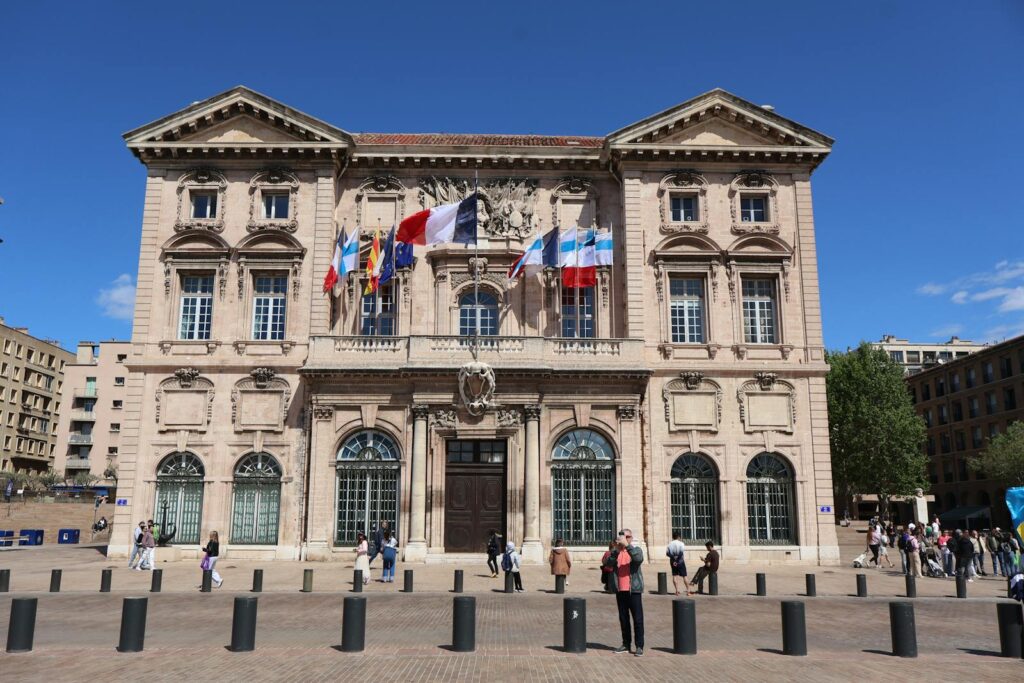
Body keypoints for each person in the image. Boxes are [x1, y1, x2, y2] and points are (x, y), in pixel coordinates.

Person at [604, 528, 645, 657]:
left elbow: (638, 559)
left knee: (637, 619)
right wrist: (615, 550)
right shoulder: (616, 552)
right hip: (620, 590)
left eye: (627, 537)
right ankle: (626, 644)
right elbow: (608, 565)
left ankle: (639, 646)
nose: (624, 539)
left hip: (634, 590)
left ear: (631, 538)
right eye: (622, 537)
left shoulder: (636, 550)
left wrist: (627, 546)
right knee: (623, 619)